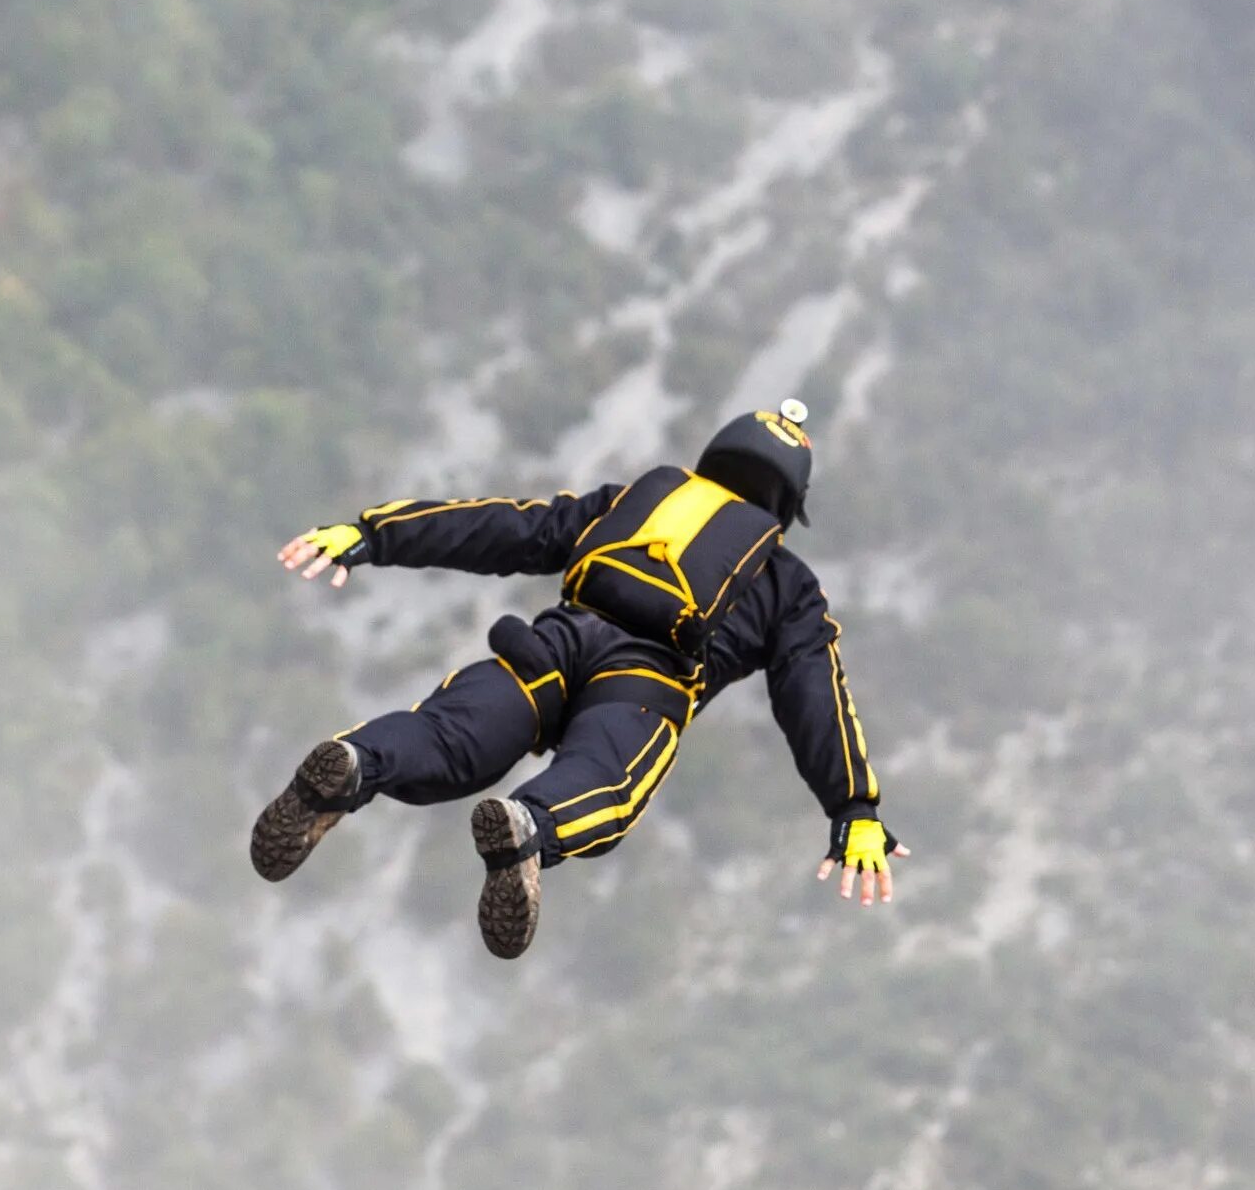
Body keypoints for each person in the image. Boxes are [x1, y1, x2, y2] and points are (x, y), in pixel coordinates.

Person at [250, 401, 905, 959]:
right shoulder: (787, 583)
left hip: (552, 645)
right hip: (645, 686)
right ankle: (530, 827)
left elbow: (504, 526)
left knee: (450, 740)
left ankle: (360, 761)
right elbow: (813, 694)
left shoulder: (630, 503)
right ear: (786, 508)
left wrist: (372, 533)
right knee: (607, 783)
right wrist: (854, 808)